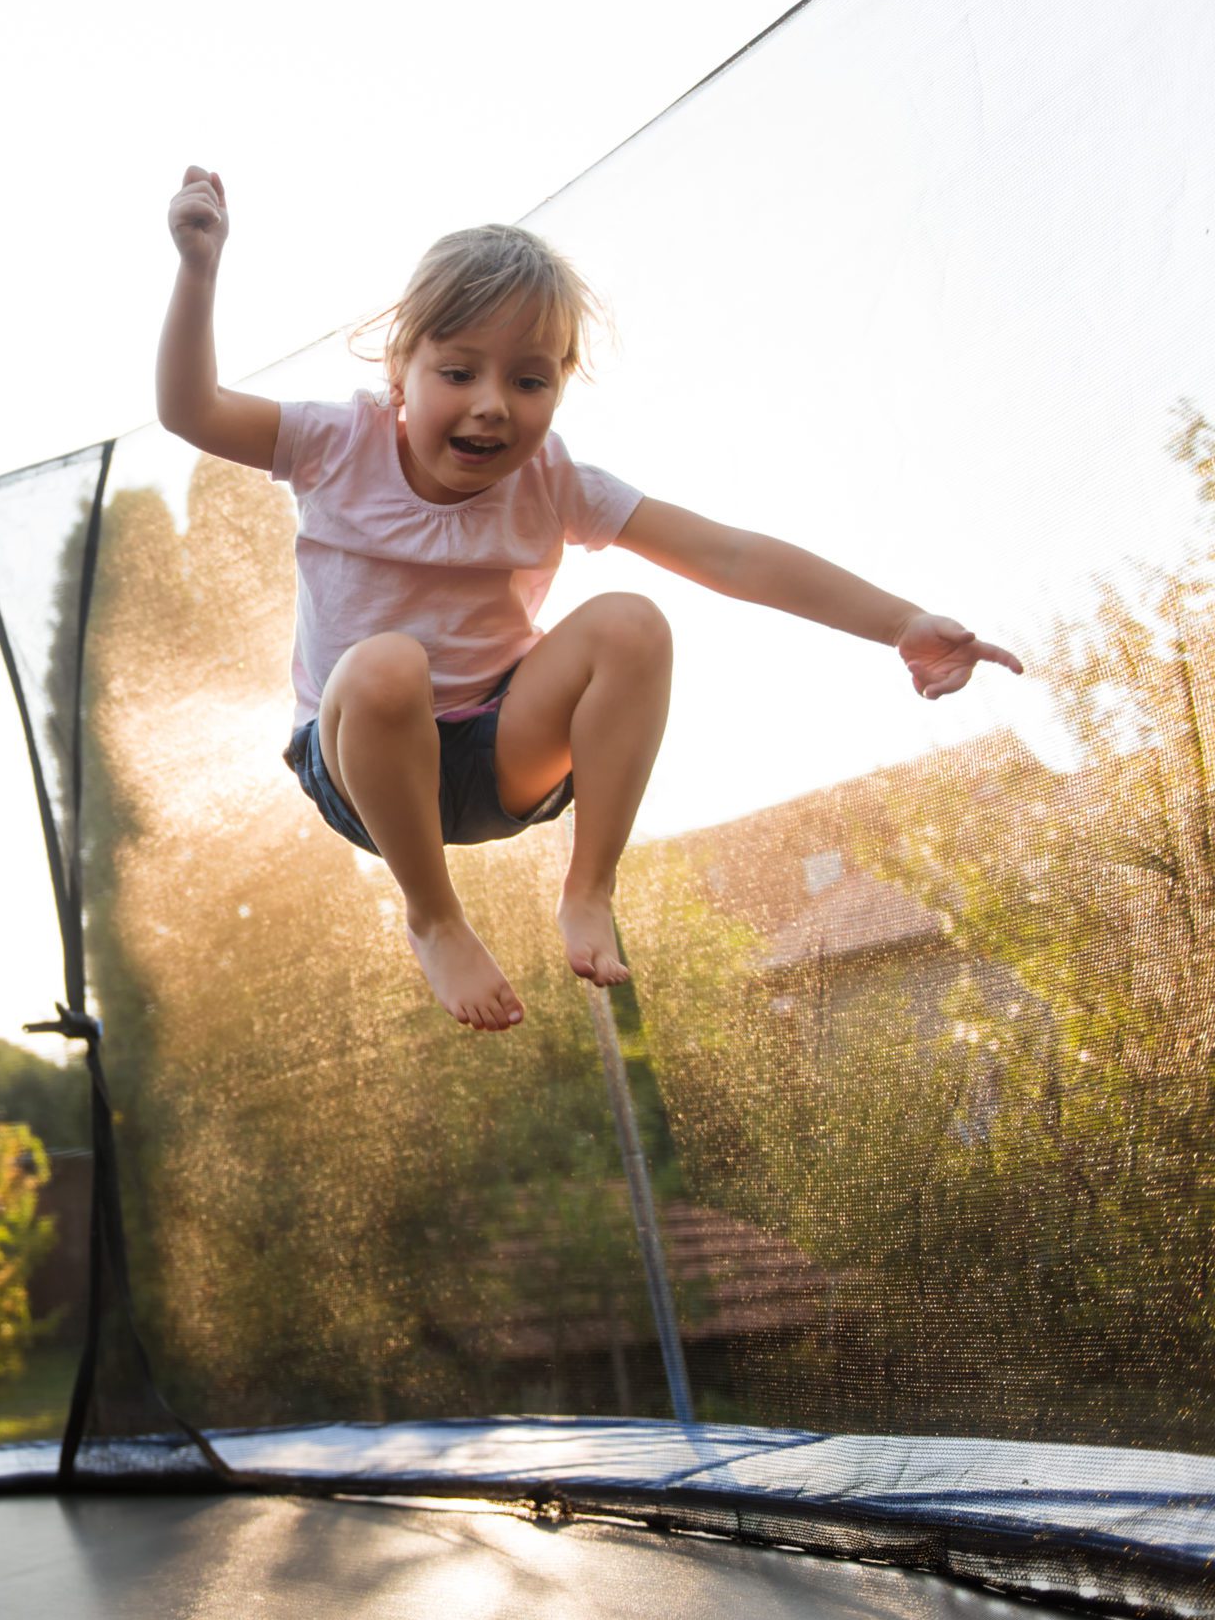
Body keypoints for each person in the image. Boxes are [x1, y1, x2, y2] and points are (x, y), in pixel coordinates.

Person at [157, 165, 1020, 1032]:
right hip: (363, 761)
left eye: (529, 382)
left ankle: (590, 884)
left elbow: (729, 555)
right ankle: (435, 916)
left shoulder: (553, 480)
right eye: (458, 372)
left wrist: (899, 622)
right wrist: (199, 268)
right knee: (388, 667)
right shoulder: (333, 442)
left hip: (501, 753)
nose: (492, 406)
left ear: (559, 388)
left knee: (632, 624)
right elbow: (191, 409)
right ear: (399, 371)